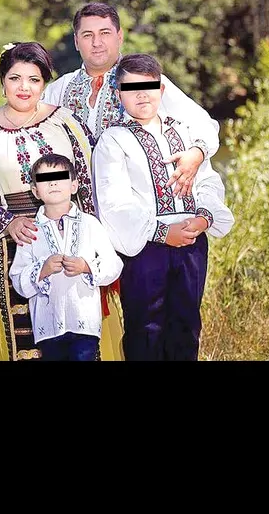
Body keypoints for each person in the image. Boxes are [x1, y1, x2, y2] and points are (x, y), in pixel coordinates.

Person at [0, 42, 125, 361]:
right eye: (15, 78)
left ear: (44, 83)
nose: (24, 87)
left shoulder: (66, 122)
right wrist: (7, 223)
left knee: (83, 340)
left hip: (70, 237)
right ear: (2, 81)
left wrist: (94, 244)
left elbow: (90, 178)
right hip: (6, 245)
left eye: (34, 79)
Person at [0, 1, 219, 198]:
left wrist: (196, 154)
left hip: (138, 208)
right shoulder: (60, 89)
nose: (97, 42)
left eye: (105, 33)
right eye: (87, 35)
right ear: (76, 41)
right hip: (79, 213)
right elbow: (22, 111)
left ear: (119, 37)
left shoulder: (147, 82)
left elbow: (203, 124)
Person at [93, 53, 235, 361]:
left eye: (148, 86)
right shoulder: (113, 140)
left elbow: (208, 182)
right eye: (132, 88)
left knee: (186, 326)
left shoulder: (185, 134)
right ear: (119, 94)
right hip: (145, 249)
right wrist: (162, 232)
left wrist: (204, 218)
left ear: (161, 89)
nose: (142, 95)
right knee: (146, 330)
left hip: (192, 244)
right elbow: (114, 202)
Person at [8, 155, 123, 361]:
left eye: (59, 177)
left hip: (85, 324)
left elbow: (114, 265)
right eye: (45, 179)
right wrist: (42, 270)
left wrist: (86, 266)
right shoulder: (30, 231)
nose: (52, 183)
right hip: (48, 328)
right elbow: (17, 279)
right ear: (35, 191)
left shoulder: (90, 224)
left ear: (74, 185)